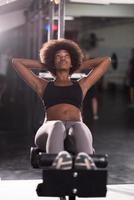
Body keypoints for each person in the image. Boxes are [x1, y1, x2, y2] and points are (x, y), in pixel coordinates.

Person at [12, 39, 111, 169]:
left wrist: (76, 65)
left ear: (72, 61)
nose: (62, 59)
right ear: (53, 61)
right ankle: (58, 165)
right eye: (58, 57)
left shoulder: (82, 85)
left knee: (79, 127)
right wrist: (47, 65)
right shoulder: (43, 85)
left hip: (74, 130)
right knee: (57, 125)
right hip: (49, 129)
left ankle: (85, 164)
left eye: (66, 57)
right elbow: (16, 62)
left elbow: (106, 61)